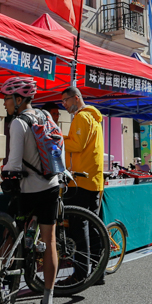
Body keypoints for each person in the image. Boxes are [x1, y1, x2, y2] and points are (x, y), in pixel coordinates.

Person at [0, 76, 62, 304]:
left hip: (28, 191)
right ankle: (47, 300)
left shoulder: (17, 123)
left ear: (17, 99)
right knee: (50, 241)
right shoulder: (46, 116)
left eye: (6, 98)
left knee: (10, 236)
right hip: (51, 186)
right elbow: (58, 149)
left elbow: (14, 164)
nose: (3, 103)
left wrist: (4, 172)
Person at [60, 86, 104, 286]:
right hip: (93, 180)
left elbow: (77, 145)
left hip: (80, 181)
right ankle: (97, 272)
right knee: (93, 227)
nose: (64, 105)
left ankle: (80, 275)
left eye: (66, 101)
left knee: (80, 229)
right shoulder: (94, 118)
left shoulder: (81, 117)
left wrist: (57, 139)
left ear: (76, 98)